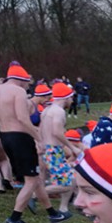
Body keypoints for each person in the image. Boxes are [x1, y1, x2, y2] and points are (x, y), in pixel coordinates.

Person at [0, 62, 71, 223]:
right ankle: (14, 219)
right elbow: (23, 119)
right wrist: (38, 138)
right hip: (20, 137)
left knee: (36, 177)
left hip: (5, 136)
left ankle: (53, 214)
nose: (27, 85)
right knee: (31, 180)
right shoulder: (18, 91)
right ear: (21, 80)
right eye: (27, 82)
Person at [40, 82, 81, 215]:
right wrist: (72, 147)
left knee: (72, 178)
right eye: (71, 97)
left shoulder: (47, 110)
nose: (72, 100)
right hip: (54, 150)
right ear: (66, 97)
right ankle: (35, 194)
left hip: (48, 149)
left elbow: (41, 130)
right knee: (67, 184)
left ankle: (63, 208)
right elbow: (57, 132)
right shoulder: (59, 112)